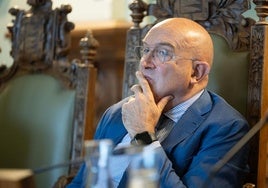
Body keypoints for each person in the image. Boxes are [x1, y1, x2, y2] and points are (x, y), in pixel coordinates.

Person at [67, 17, 249, 188]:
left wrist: (143, 135)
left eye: (163, 53)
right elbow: (83, 182)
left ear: (196, 72)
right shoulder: (118, 112)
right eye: (145, 50)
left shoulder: (226, 128)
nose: (145, 63)